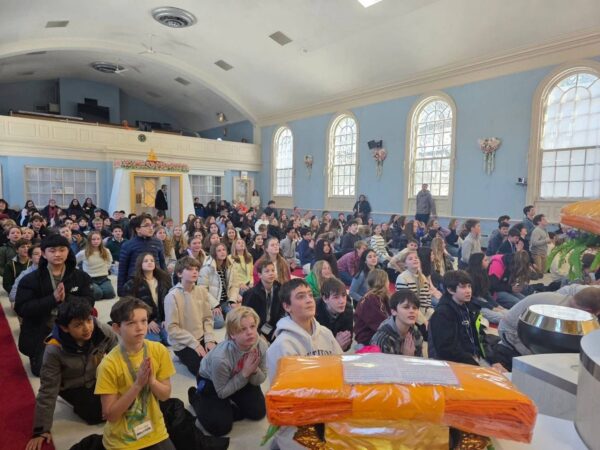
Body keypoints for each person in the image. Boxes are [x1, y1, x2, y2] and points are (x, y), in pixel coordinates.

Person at [26, 299, 118, 450]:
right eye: (78, 325)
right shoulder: (54, 349)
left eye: (88, 320)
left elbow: (119, 353)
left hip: (97, 377)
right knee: (97, 413)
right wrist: (40, 430)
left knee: (128, 396)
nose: (87, 328)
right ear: (65, 327)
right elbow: (48, 389)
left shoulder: (100, 329)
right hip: (73, 386)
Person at [266, 278, 342, 450]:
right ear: (287, 306)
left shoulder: (325, 333)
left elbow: (341, 369)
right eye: (301, 296)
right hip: (298, 416)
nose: (309, 300)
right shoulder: (282, 345)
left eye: (309, 295)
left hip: (327, 404)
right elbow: (287, 399)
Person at [95, 297, 176, 450]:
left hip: (155, 430)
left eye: (144, 321)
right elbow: (111, 415)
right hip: (122, 439)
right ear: (116, 328)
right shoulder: (108, 365)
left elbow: (165, 395)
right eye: (131, 323)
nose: (140, 328)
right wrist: (137, 385)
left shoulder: (159, 350)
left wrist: (152, 381)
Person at [15, 234, 94, 376]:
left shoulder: (81, 276)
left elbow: (89, 302)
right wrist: (52, 299)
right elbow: (22, 308)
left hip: (71, 325)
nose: (57, 254)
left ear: (68, 251)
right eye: (52, 250)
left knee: (84, 367)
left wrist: (67, 298)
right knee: (41, 371)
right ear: (44, 254)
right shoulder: (30, 280)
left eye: (62, 250)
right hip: (43, 327)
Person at [189, 307, 267, 437]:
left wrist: (253, 370)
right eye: (242, 329)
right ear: (232, 334)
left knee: (258, 412)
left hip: (240, 375)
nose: (250, 332)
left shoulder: (261, 345)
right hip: (211, 381)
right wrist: (244, 373)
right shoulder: (221, 358)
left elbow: (261, 378)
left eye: (252, 326)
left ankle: (228, 404)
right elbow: (221, 392)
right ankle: (196, 397)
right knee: (220, 427)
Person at [497, 287, 600, 370]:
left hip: (532, 331)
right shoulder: (560, 310)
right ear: (588, 311)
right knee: (544, 364)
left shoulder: (572, 302)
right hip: (511, 331)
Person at [429, 270, 498, 368]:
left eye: (469, 286)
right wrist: (475, 364)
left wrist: (493, 360)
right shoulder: (443, 313)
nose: (468, 290)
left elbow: (480, 338)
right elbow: (447, 350)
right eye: (463, 287)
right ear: (450, 290)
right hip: (454, 364)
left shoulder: (469, 307)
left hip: (473, 357)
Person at [164, 256, 217, 376]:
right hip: (183, 342)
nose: (195, 272)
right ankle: (180, 356)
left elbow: (207, 318)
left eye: (196, 269)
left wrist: (209, 339)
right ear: (179, 273)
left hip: (201, 337)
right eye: (190, 269)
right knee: (204, 371)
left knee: (221, 360)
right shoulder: (172, 296)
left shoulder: (202, 291)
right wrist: (194, 344)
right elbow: (172, 329)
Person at [122, 253, 173, 344]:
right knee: (155, 342)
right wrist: (147, 321)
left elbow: (171, 301)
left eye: (152, 261)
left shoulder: (164, 280)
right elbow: (130, 307)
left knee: (171, 341)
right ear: (140, 264)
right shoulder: (132, 284)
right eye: (145, 261)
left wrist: (167, 319)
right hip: (145, 321)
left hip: (163, 320)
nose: (149, 262)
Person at [117, 214, 166, 296]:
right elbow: (122, 270)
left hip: (155, 279)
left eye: (151, 225)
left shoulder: (158, 242)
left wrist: (166, 283)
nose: (151, 228)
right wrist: (121, 291)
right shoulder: (127, 245)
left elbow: (162, 264)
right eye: (147, 225)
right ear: (138, 229)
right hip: (135, 282)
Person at [199, 243, 242, 328]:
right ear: (214, 253)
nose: (222, 252)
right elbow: (202, 290)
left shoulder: (230, 266)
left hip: (226, 301)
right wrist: (215, 305)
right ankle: (207, 316)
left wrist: (232, 301)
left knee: (238, 318)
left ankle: (224, 313)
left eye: (224, 250)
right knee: (219, 323)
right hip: (212, 303)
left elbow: (234, 285)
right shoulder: (207, 268)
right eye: (219, 250)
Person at [371, 289, 423, 356]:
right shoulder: (383, 339)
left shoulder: (416, 333)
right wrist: (406, 358)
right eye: (406, 307)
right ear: (394, 311)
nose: (412, 311)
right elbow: (380, 362)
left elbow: (420, 360)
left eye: (415, 308)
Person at [242, 259, 284, 343]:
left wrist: (279, 328)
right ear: (260, 275)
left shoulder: (280, 288)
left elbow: (281, 311)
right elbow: (247, 318)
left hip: (274, 325)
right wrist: (259, 333)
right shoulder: (251, 294)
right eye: (267, 271)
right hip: (259, 326)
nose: (271, 273)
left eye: (273, 270)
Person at [395, 250, 440, 321]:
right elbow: (406, 303)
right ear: (405, 264)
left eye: (416, 258)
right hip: (410, 314)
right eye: (410, 259)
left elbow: (427, 299)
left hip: (425, 312)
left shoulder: (422, 277)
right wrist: (423, 321)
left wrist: (431, 313)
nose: (415, 259)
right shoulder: (402, 278)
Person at [354, 268, 391, 345]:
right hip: (368, 340)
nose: (389, 283)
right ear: (383, 282)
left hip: (376, 336)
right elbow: (380, 324)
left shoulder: (382, 297)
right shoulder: (370, 299)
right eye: (387, 280)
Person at [467, 253, 507, 324]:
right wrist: (491, 307)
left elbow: (486, 293)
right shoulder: (469, 277)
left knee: (507, 312)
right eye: (485, 260)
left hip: (481, 301)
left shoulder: (483, 273)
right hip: (473, 304)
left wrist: (496, 305)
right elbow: (471, 299)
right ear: (478, 262)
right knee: (503, 318)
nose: (488, 261)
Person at [316, 277, 353, 351]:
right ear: (325, 299)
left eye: (344, 295)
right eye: (336, 297)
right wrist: (335, 344)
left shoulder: (348, 309)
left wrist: (342, 344)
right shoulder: (314, 311)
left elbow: (347, 344)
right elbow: (312, 346)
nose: (342, 301)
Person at [76, 230, 115, 300]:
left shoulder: (106, 251)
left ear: (101, 240)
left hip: (103, 278)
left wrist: (105, 269)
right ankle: (86, 287)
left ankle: (99, 287)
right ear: (89, 241)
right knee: (97, 294)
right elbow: (74, 262)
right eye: (93, 239)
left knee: (110, 294)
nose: (96, 241)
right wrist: (79, 273)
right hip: (90, 279)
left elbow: (110, 261)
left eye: (98, 239)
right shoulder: (83, 252)